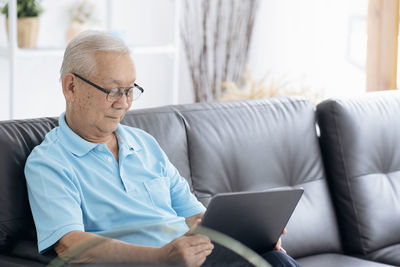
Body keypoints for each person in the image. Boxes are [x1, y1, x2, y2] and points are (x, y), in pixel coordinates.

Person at [24, 30, 300, 267]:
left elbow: (196, 218)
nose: (124, 104)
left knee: (269, 257)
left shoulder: (144, 144)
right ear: (70, 87)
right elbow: (70, 245)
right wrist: (159, 257)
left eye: (130, 90)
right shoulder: (49, 163)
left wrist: (250, 235)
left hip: (195, 261)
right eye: (113, 91)